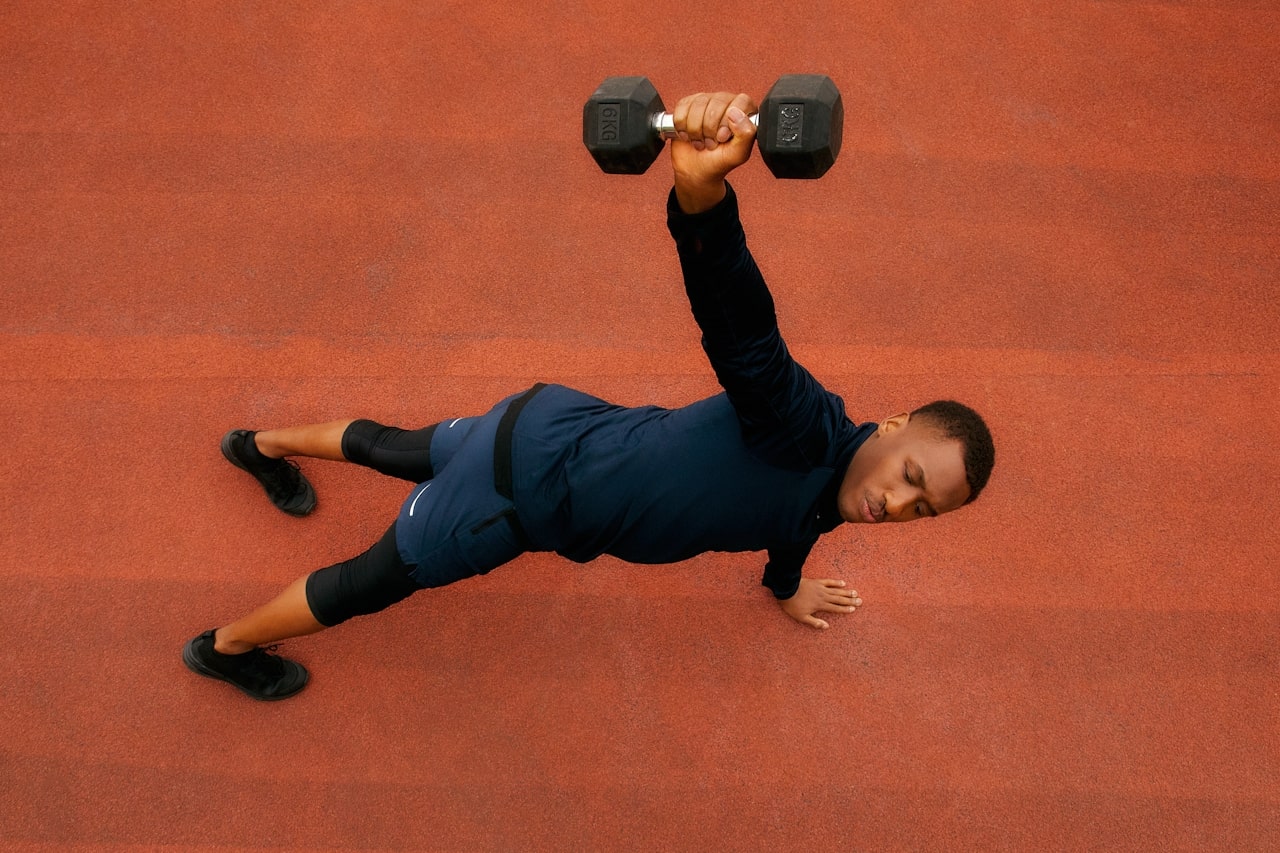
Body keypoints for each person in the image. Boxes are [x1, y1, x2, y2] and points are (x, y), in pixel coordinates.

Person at [183, 91, 995, 701]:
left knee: (396, 446)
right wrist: (701, 199)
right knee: (369, 582)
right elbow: (745, 337)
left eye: (921, 511)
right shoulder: (803, 426)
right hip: (522, 494)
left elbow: (800, 521)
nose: (893, 504)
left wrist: (785, 586)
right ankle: (222, 648)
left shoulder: (833, 485)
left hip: (548, 418)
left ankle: (259, 445)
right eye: (912, 478)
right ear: (892, 427)